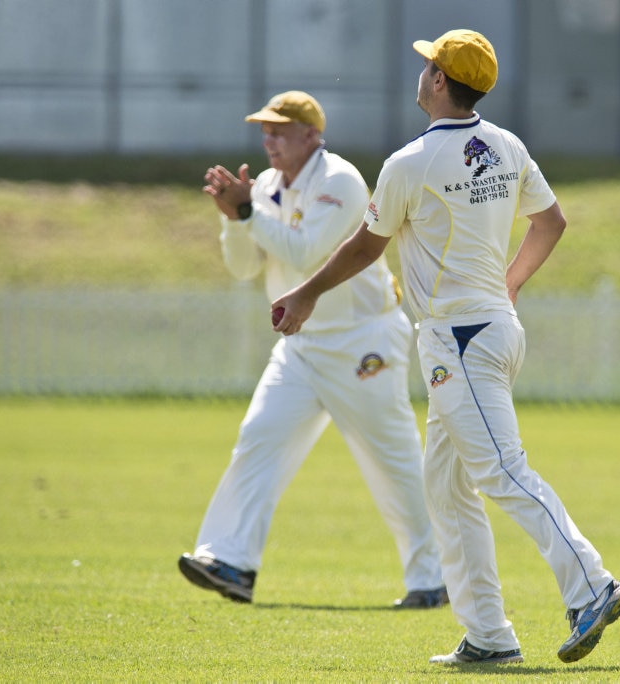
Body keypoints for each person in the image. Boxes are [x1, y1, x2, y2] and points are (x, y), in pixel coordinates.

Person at [271, 32, 620, 664]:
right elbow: (551, 223)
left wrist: (303, 294)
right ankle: (489, 636)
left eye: (428, 64)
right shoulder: (507, 145)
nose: (421, 71)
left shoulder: (409, 163)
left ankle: (592, 586)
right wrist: (510, 285)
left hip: (459, 340)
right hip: (486, 330)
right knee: (446, 486)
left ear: (440, 81)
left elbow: (366, 246)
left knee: (499, 470)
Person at [177, 91, 447, 610]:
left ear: (312, 135)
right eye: (265, 131)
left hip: (362, 342)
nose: (269, 140)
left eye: (280, 130)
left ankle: (433, 580)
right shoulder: (270, 186)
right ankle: (231, 562)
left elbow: (305, 253)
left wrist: (249, 212)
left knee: (392, 463)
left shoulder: (340, 180)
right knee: (259, 436)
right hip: (300, 344)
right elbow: (243, 268)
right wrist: (234, 218)